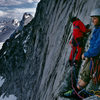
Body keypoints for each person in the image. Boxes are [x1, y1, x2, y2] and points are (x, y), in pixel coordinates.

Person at [63, 8, 100, 99]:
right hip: (90, 54)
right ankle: (76, 90)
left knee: (86, 74)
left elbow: (97, 48)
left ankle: (76, 92)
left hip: (95, 57)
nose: (92, 20)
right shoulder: (96, 29)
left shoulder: (98, 30)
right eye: (92, 18)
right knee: (84, 71)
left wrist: (87, 54)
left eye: (95, 18)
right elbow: (84, 31)